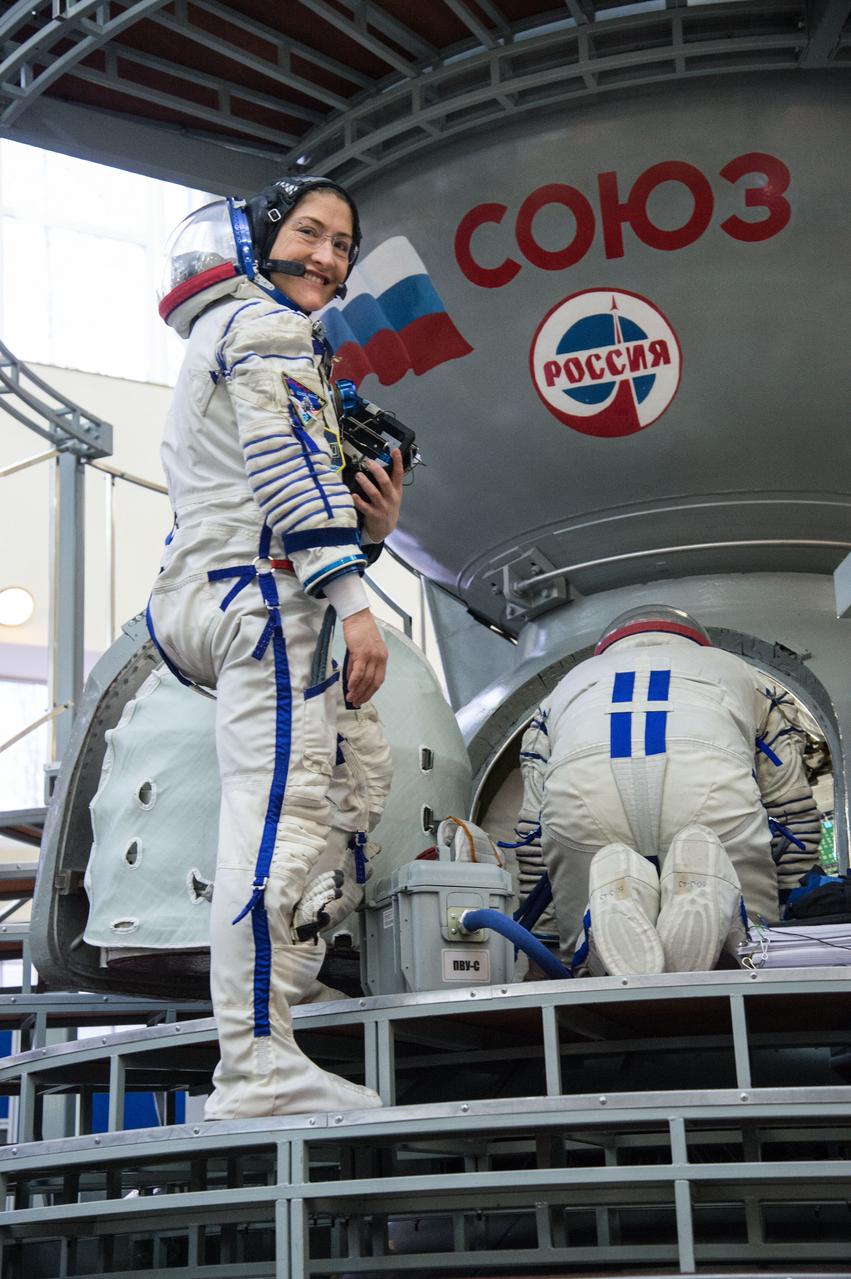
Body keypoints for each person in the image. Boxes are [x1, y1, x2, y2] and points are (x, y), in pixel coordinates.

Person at [148, 176, 402, 1119]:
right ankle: (254, 1063)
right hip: (258, 595)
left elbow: (259, 481)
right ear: (259, 239)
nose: (326, 258)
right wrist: (355, 599)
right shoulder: (266, 324)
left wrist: (369, 532)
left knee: (347, 783)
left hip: (222, 587)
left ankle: (280, 1000)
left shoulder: (228, 328)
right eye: (308, 233)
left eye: (341, 244)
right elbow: (290, 469)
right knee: (278, 820)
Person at [512, 606, 822, 976]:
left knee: (587, 971)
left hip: (581, 803)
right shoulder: (741, 673)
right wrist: (792, 900)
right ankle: (712, 895)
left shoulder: (563, 688)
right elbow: (790, 806)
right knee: (757, 955)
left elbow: (532, 831)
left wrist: (546, 942)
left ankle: (609, 907)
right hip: (710, 793)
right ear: (697, 639)